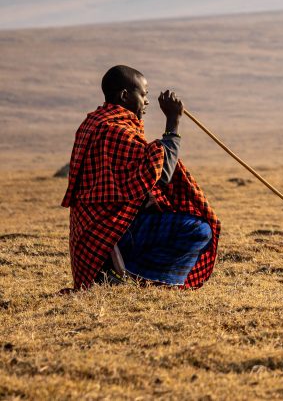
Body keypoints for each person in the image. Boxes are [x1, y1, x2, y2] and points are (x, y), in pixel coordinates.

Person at [61, 65, 220, 289]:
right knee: (198, 229)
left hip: (95, 236)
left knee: (165, 212)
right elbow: (161, 175)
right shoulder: (115, 130)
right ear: (125, 95)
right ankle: (134, 278)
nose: (146, 102)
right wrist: (173, 123)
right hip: (112, 232)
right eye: (143, 95)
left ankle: (119, 275)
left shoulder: (94, 123)